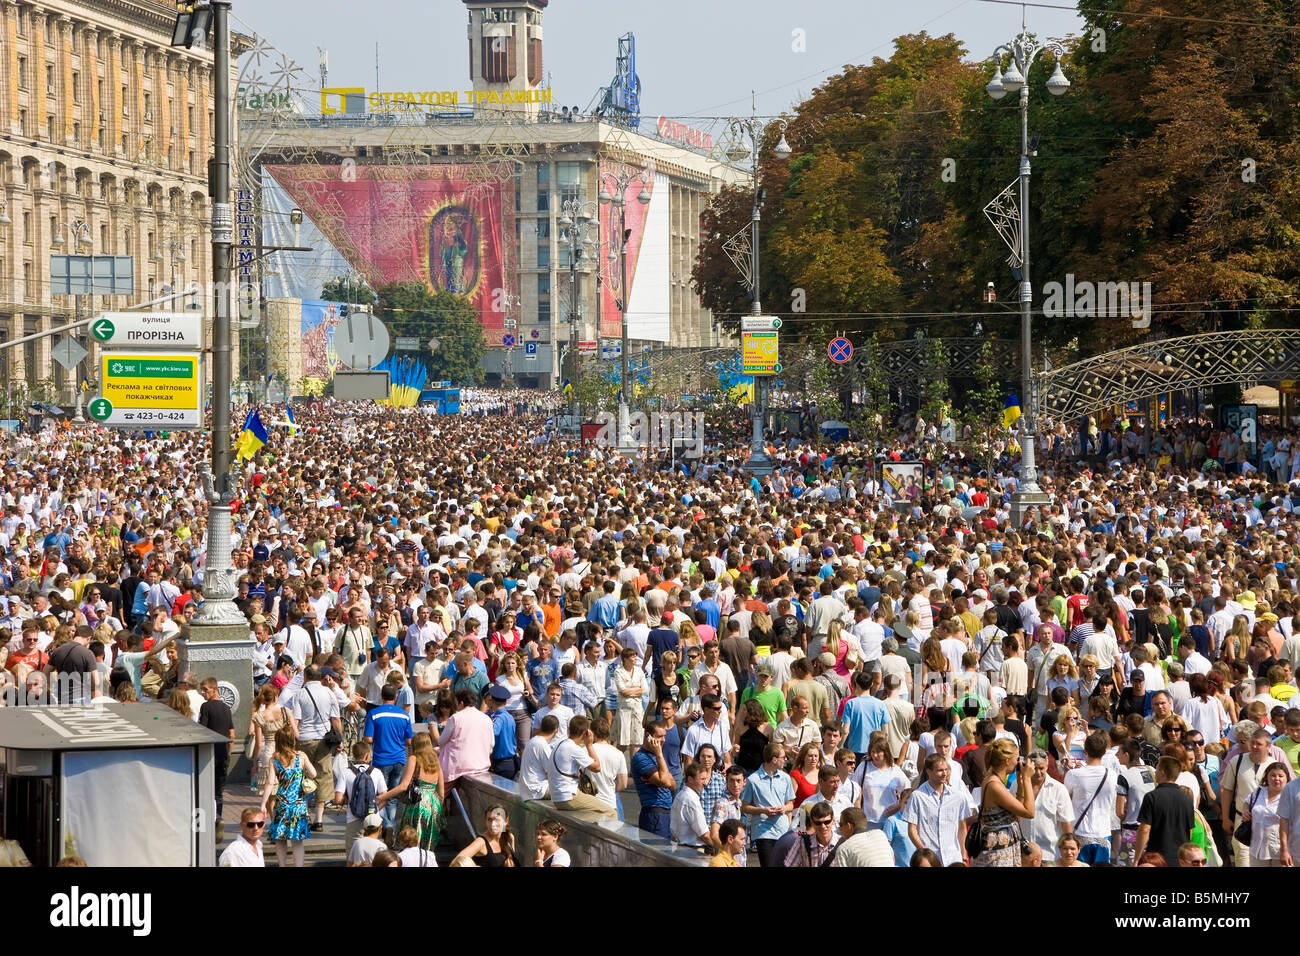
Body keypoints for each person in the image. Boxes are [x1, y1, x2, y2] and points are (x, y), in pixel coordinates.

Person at [290, 665, 342, 833]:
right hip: (323, 740)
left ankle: (304, 815)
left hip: (304, 739)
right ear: (320, 676)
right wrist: (339, 739)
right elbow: (336, 720)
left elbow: (295, 721)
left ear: (305, 676)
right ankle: (319, 819)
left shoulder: (299, 694)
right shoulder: (329, 693)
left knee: (303, 776)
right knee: (323, 777)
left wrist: (293, 741)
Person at [971, 738, 1035, 866]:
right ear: (1007, 761)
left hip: (1003, 850)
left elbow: (1017, 817)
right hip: (997, 854)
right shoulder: (994, 785)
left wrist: (1021, 785)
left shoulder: (994, 781)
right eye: (1017, 759)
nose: (1019, 762)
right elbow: (1030, 812)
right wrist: (1027, 779)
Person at [260, 726, 316, 868]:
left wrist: (263, 804)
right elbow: (314, 774)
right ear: (292, 740)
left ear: (278, 741)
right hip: (298, 805)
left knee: (280, 839)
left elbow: (270, 783)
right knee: (297, 840)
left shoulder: (275, 760)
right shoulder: (301, 756)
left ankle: (282, 864)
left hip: (282, 804)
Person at [902, 752, 971, 867]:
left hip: (953, 857)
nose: (944, 773)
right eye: (940, 770)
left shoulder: (958, 796)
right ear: (929, 772)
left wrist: (963, 853)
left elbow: (962, 827)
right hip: (930, 860)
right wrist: (925, 853)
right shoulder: (918, 796)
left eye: (946, 769)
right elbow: (912, 830)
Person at [378, 733, 445, 851]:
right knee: (428, 844)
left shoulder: (414, 758)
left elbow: (403, 786)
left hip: (418, 803)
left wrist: (383, 796)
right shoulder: (436, 761)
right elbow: (442, 792)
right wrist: (439, 809)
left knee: (412, 841)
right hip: (434, 804)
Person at [1062, 731, 1119, 865]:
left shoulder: (1074, 775)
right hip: (1103, 833)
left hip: (1080, 832)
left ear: (1085, 750)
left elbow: (1066, 801)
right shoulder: (1112, 775)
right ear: (1105, 751)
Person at [546, 714, 616, 817]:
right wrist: (589, 745)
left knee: (594, 809)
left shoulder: (560, 744)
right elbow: (597, 767)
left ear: (569, 729)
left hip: (557, 796)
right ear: (585, 733)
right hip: (568, 797)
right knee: (611, 812)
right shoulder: (574, 749)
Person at [740, 742, 796, 867]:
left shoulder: (785, 778)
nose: (785, 760)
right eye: (783, 757)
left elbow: (791, 804)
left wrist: (784, 808)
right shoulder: (753, 780)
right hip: (763, 831)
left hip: (783, 830)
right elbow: (744, 807)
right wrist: (763, 810)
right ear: (774, 759)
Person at [1133, 756, 1196, 866]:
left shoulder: (1152, 797)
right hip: (1180, 859)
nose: (1155, 772)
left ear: (1162, 772)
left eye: (1156, 769)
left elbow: (1144, 829)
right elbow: (1190, 831)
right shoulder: (1187, 799)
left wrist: (1137, 858)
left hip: (1157, 859)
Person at [1019, 750, 1073, 865]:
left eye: (1041, 768)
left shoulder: (1059, 789)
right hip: (1024, 856)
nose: (1038, 772)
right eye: (1035, 768)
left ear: (1047, 767)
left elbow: (1066, 824)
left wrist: (1067, 853)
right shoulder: (1017, 785)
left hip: (1050, 855)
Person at [332, 741, 386, 851]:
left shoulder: (346, 772)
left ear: (354, 755)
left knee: (353, 854)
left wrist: (352, 801)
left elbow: (338, 799)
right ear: (367, 756)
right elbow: (385, 797)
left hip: (353, 818)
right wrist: (375, 808)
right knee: (372, 853)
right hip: (373, 819)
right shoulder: (377, 772)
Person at [197, 676, 235, 828]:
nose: (202, 693)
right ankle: (218, 818)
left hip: (210, 752)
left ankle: (207, 818)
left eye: (205, 690)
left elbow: (202, 730)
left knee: (207, 787)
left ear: (214, 690)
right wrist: (229, 753)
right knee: (219, 790)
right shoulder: (226, 708)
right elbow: (232, 734)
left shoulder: (206, 707)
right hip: (223, 752)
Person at [438, 687, 494, 785]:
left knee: (438, 797)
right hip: (481, 767)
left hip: (456, 771)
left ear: (461, 703)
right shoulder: (487, 719)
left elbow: (441, 741)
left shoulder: (455, 718)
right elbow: (491, 745)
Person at [1240, 760, 1290, 867]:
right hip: (1257, 848)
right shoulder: (1258, 791)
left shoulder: (1290, 796)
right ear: (1267, 777)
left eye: (1280, 776)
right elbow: (1246, 802)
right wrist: (1245, 811)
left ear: (1286, 778)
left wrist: (1286, 850)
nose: (1276, 779)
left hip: (1281, 850)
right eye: (1273, 775)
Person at [631, 722, 676, 838]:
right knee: (658, 852)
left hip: (666, 812)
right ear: (648, 736)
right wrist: (659, 755)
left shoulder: (656, 756)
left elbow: (673, 785)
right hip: (654, 813)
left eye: (664, 736)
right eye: (659, 736)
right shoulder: (641, 758)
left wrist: (663, 776)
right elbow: (666, 782)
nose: (663, 740)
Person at [451, 805, 521, 867]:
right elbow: (456, 863)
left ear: (506, 821)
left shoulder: (508, 838)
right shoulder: (481, 842)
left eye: (497, 820)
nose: (492, 824)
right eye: (489, 820)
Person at [670, 762, 715, 850]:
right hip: (694, 851)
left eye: (706, 779)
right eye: (702, 779)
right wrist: (720, 848)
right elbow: (704, 835)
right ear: (690, 779)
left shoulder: (680, 795)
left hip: (681, 848)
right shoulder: (691, 800)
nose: (705, 783)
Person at [518, 714, 559, 801]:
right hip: (537, 790)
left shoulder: (532, 741)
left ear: (540, 726)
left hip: (527, 789)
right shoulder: (542, 745)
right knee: (571, 791)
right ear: (556, 730)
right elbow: (552, 773)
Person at [486, 684, 520, 779]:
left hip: (501, 762)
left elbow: (492, 733)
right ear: (505, 702)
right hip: (510, 761)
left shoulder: (498, 718)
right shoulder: (509, 717)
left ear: (492, 701)